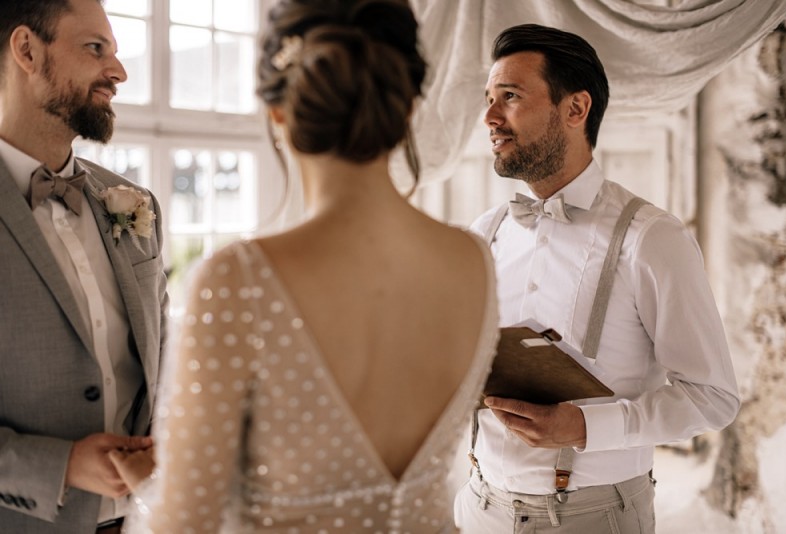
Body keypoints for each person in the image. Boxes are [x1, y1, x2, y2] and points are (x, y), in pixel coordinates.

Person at [108, 0, 499, 532]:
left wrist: (147, 486)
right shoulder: (474, 261)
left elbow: (184, 523)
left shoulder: (238, 279)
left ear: (277, 111)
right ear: (409, 106)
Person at [453, 23, 741, 533]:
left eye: (511, 97)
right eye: (489, 99)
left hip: (593, 518)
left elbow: (711, 398)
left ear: (575, 109)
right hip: (479, 507)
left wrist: (586, 427)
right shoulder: (486, 233)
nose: (489, 118)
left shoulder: (652, 238)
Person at [0, 0, 168, 532]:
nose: (117, 72)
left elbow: (166, 356)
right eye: (95, 49)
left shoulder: (133, 200)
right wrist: (63, 465)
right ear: (27, 50)